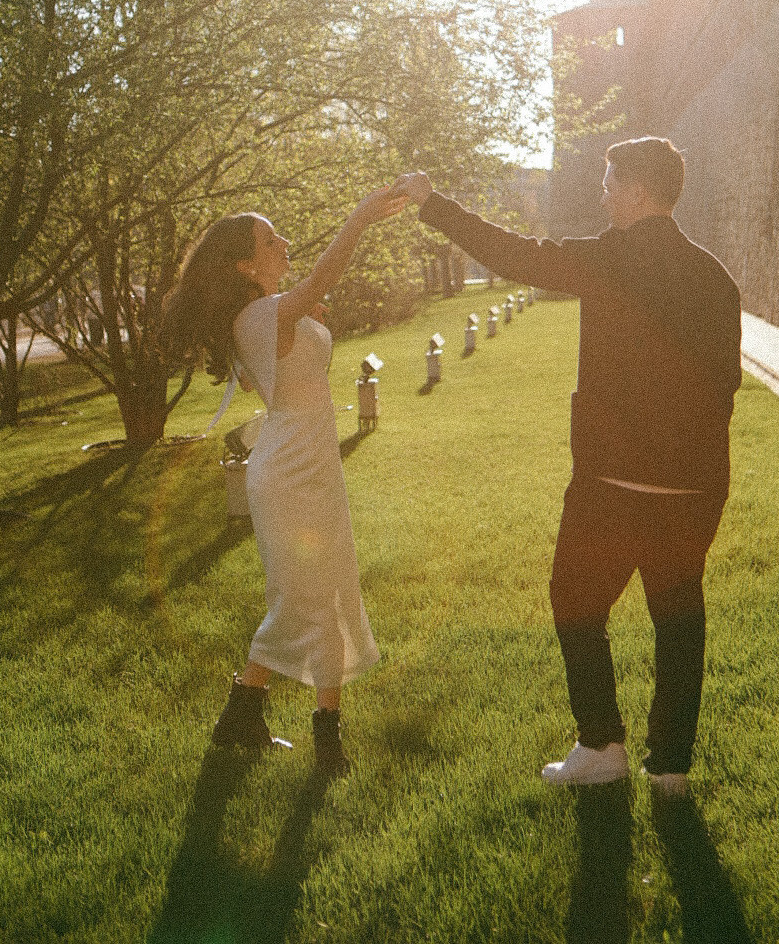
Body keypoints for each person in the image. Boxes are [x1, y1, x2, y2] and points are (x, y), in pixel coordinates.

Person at [394, 138, 741, 797]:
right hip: (693, 488)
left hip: (613, 483)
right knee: (678, 616)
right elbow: (726, 383)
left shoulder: (611, 258)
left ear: (641, 191)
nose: (604, 192)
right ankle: (669, 769)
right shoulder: (714, 276)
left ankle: (601, 744)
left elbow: (516, 255)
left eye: (612, 181)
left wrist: (432, 203)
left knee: (576, 602)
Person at [161, 185, 407, 777]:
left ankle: (263, 723)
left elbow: (271, 374)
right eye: (271, 240)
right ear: (244, 264)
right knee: (306, 596)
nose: (284, 243)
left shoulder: (262, 315)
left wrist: (300, 321)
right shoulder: (258, 314)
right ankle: (300, 733)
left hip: (311, 465)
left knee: (330, 588)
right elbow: (321, 278)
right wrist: (362, 215)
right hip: (290, 471)